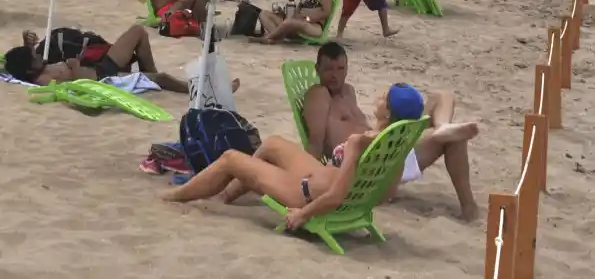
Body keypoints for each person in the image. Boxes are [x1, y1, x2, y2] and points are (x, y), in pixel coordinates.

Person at [160, 82, 430, 228]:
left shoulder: (360, 142)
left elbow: (335, 194)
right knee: (273, 144)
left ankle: (174, 197)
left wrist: (304, 214)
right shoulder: (393, 144)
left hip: (306, 193)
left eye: (384, 97)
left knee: (231, 157)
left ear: (389, 113)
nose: (379, 97)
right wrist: (359, 198)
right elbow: (387, 194)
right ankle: (225, 195)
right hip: (320, 180)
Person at [301, 42, 480, 220]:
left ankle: (442, 128)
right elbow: (315, 142)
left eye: (340, 69)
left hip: (388, 150)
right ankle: (468, 205)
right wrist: (309, 183)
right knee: (453, 139)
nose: (335, 76)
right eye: (329, 69)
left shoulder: (348, 91)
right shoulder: (318, 95)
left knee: (443, 97)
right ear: (317, 70)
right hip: (370, 167)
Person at [3, 24, 190, 91]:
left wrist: (27, 45)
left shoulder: (39, 68)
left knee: (138, 31)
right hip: (103, 76)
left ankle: (148, 77)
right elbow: (73, 88)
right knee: (163, 78)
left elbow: (25, 61)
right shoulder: (43, 79)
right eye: (32, 56)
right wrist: (75, 68)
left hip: (99, 66)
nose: (36, 54)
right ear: (28, 68)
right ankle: (190, 89)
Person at [253, 0, 332, 43]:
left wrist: (308, 18)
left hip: (314, 26)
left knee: (289, 22)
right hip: (297, 23)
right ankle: (276, 37)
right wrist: (283, 14)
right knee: (264, 14)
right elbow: (297, 12)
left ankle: (269, 37)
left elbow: (326, 12)